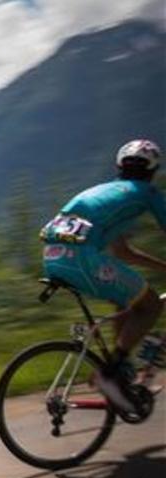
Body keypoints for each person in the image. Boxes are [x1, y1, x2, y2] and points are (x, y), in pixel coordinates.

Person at [40, 139, 166, 412]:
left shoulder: (109, 192)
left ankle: (121, 372)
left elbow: (123, 252)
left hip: (53, 258)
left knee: (125, 299)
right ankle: (110, 374)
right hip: (83, 259)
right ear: (154, 169)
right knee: (152, 304)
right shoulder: (146, 192)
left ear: (120, 166)